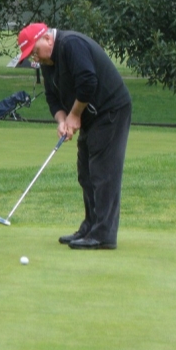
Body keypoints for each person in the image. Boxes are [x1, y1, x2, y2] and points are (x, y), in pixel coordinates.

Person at [17, 23, 130, 249]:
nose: (35, 59)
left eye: (35, 52)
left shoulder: (71, 45)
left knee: (103, 173)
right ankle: (90, 227)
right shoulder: (48, 61)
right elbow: (52, 98)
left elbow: (88, 82)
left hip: (110, 110)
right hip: (91, 115)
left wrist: (74, 115)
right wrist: (62, 121)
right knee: (85, 172)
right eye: (31, 55)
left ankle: (103, 235)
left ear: (47, 39)